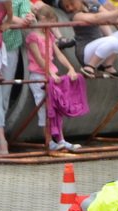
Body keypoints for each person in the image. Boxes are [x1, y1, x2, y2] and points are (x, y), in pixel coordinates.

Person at [25, 3, 83, 152]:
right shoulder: (32, 37)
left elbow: (58, 54)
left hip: (51, 75)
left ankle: (61, 139)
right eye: (51, 22)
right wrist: (50, 73)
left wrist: (70, 68)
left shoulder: (49, 35)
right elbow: (38, 59)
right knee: (45, 108)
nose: (53, 26)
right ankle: (49, 141)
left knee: (57, 108)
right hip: (39, 76)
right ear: (43, 19)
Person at [0, 0, 33, 154]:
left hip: (10, 46)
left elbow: (25, 13)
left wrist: (28, 18)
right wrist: (17, 20)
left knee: (3, 95)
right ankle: (2, 139)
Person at [59, 0, 118, 78]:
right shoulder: (74, 15)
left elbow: (110, 18)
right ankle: (90, 66)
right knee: (113, 41)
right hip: (85, 52)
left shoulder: (92, 4)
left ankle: (108, 65)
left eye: (72, 3)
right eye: (66, 6)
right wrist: (117, 11)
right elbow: (95, 18)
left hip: (98, 48)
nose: (70, 8)